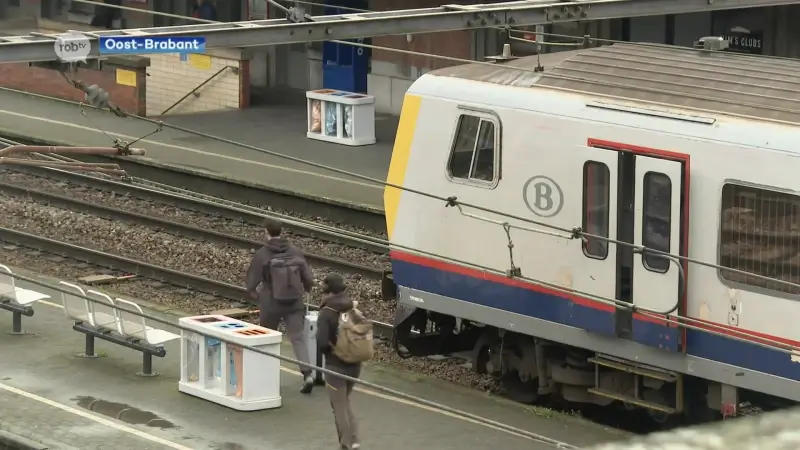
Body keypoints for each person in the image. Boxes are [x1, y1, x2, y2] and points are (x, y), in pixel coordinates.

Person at [245, 219, 316, 393]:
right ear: (282, 231)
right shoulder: (295, 251)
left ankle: (264, 376)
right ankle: (307, 374)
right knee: (298, 338)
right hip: (294, 301)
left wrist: (258, 296)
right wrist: (305, 290)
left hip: (271, 302)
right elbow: (308, 279)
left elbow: (251, 284)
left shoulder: (262, 254)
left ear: (266, 232)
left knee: (266, 338)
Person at [317, 273, 363, 450]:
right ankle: (354, 439)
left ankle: (348, 443)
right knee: (344, 401)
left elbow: (321, 343)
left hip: (335, 365)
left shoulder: (326, 312)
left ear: (328, 293)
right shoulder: (354, 308)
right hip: (355, 365)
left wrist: (330, 352)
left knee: (339, 406)